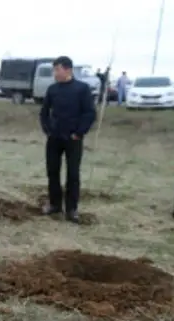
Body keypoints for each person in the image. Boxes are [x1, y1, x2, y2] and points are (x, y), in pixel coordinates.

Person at [39, 56, 97, 223]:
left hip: (73, 139)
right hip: (54, 138)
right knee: (52, 171)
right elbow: (44, 113)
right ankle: (55, 204)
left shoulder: (82, 89)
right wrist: (48, 129)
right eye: (54, 70)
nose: (55, 73)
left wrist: (79, 132)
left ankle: (71, 209)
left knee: (72, 174)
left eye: (57, 69)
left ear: (68, 70)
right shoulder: (52, 89)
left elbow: (89, 113)